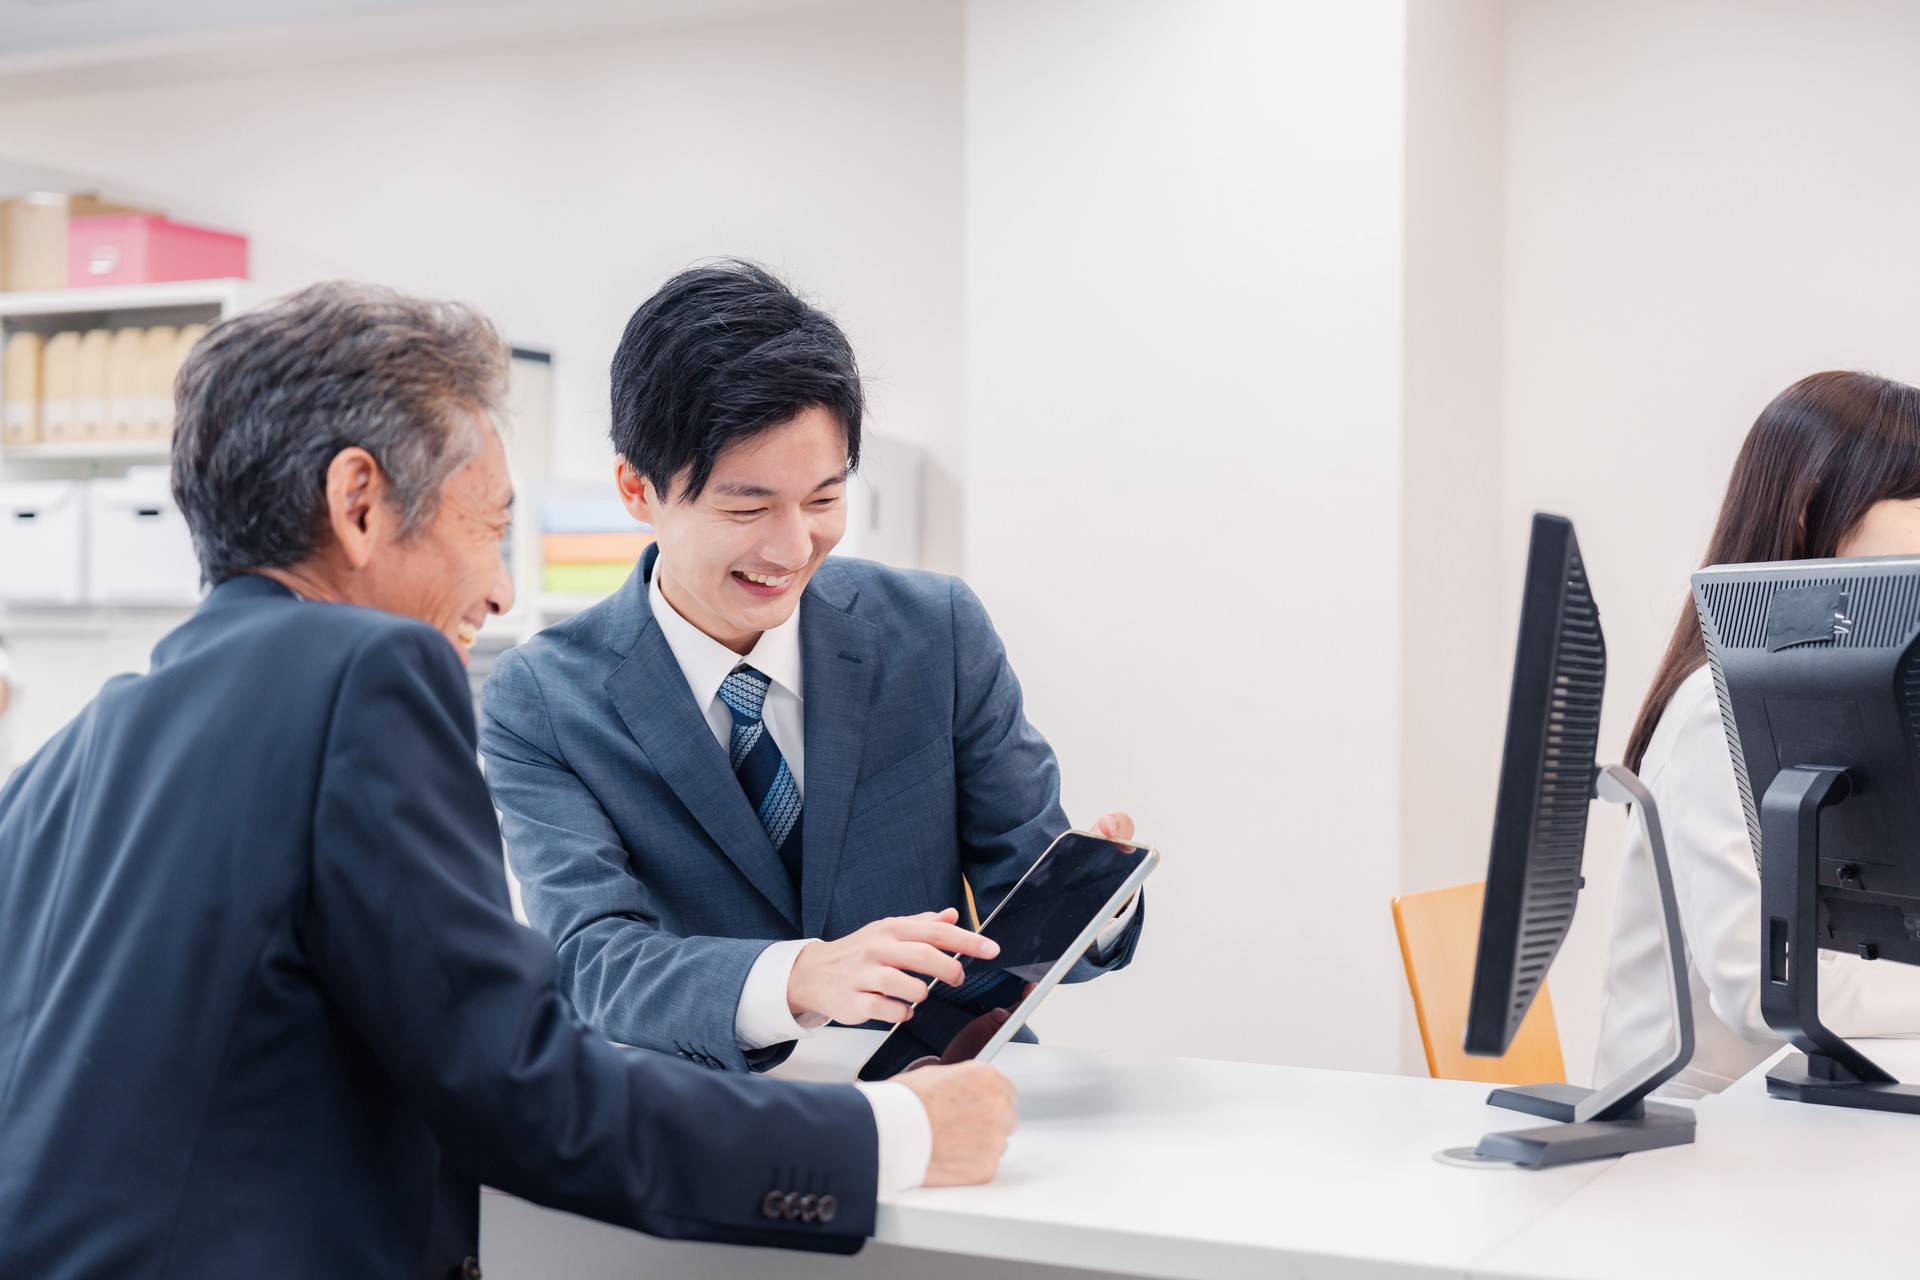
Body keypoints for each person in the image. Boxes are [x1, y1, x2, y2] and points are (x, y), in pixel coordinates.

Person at [0, 283, 1017, 1280]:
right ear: (358, 504)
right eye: (486, 526)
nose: (502, 587)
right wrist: (889, 1134)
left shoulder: (69, 753)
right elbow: (520, 1080)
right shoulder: (366, 673)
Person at [481, 261, 1145, 1075]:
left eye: (824, 500)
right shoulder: (542, 699)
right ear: (636, 487)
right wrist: (799, 976)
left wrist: (1089, 898)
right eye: (747, 507)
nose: (793, 548)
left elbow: (1030, 910)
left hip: (949, 1082)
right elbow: (592, 961)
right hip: (709, 1115)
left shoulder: (935, 631)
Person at [1597, 370, 1920, 1096]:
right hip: (1697, 1140)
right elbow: (1762, 988)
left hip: (1805, 1113)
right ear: (1812, 507)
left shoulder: (1845, 696)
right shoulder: (1717, 710)